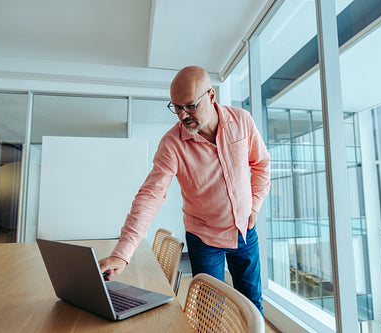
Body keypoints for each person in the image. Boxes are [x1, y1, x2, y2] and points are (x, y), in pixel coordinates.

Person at [99, 66, 270, 314]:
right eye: (176, 107)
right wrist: (122, 254)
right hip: (204, 238)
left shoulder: (241, 121)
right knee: (209, 312)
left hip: (245, 232)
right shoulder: (172, 144)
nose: (182, 115)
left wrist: (254, 206)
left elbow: (262, 163)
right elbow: (150, 197)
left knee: (252, 305)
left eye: (190, 106)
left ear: (211, 97)